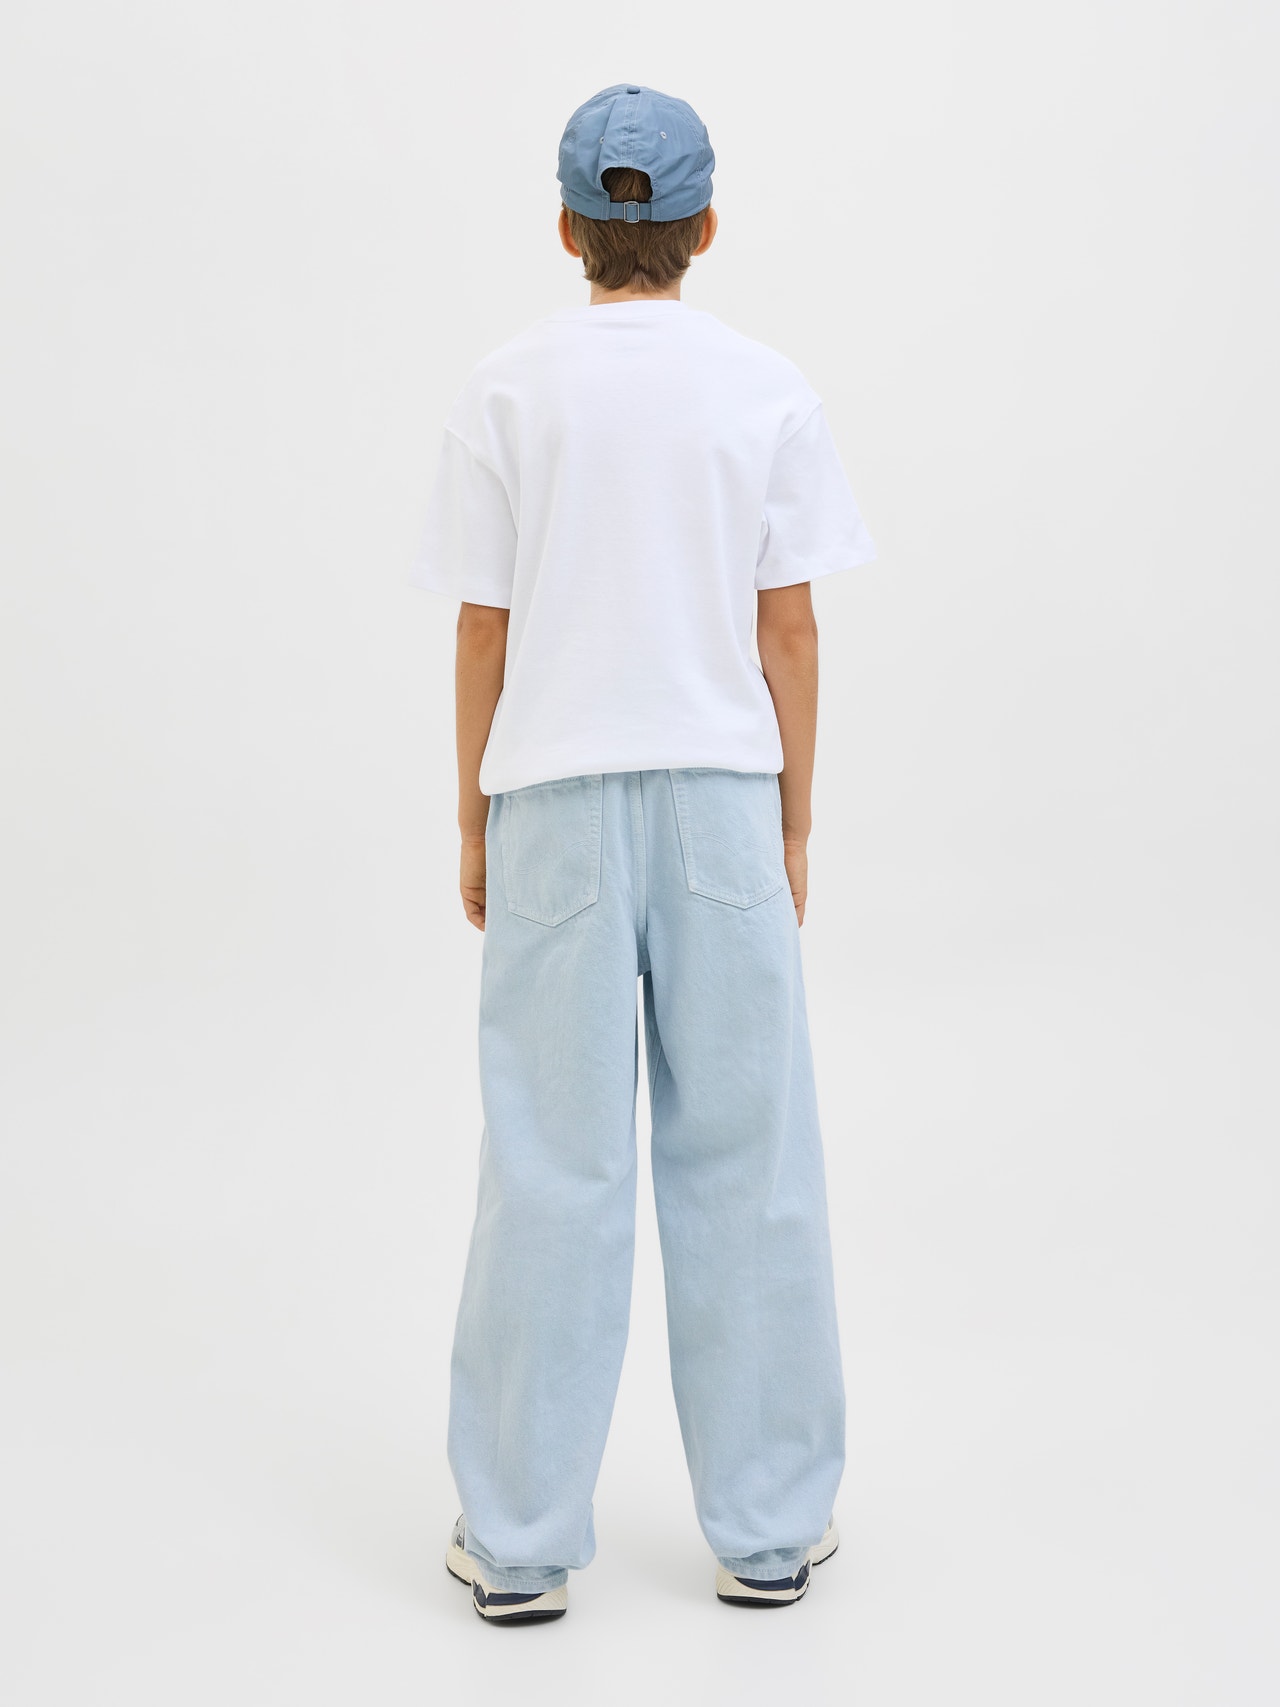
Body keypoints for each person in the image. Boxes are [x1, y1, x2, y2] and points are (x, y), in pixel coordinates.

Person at [409, 83, 878, 1623]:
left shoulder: (505, 391)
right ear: (707, 227)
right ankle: (769, 1526)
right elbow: (789, 632)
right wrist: (794, 816)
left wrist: (473, 811)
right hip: (723, 798)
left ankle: (519, 1540)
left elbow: (483, 629)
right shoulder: (765, 388)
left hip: (551, 799)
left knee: (551, 1165)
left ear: (567, 229)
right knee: (749, 1155)